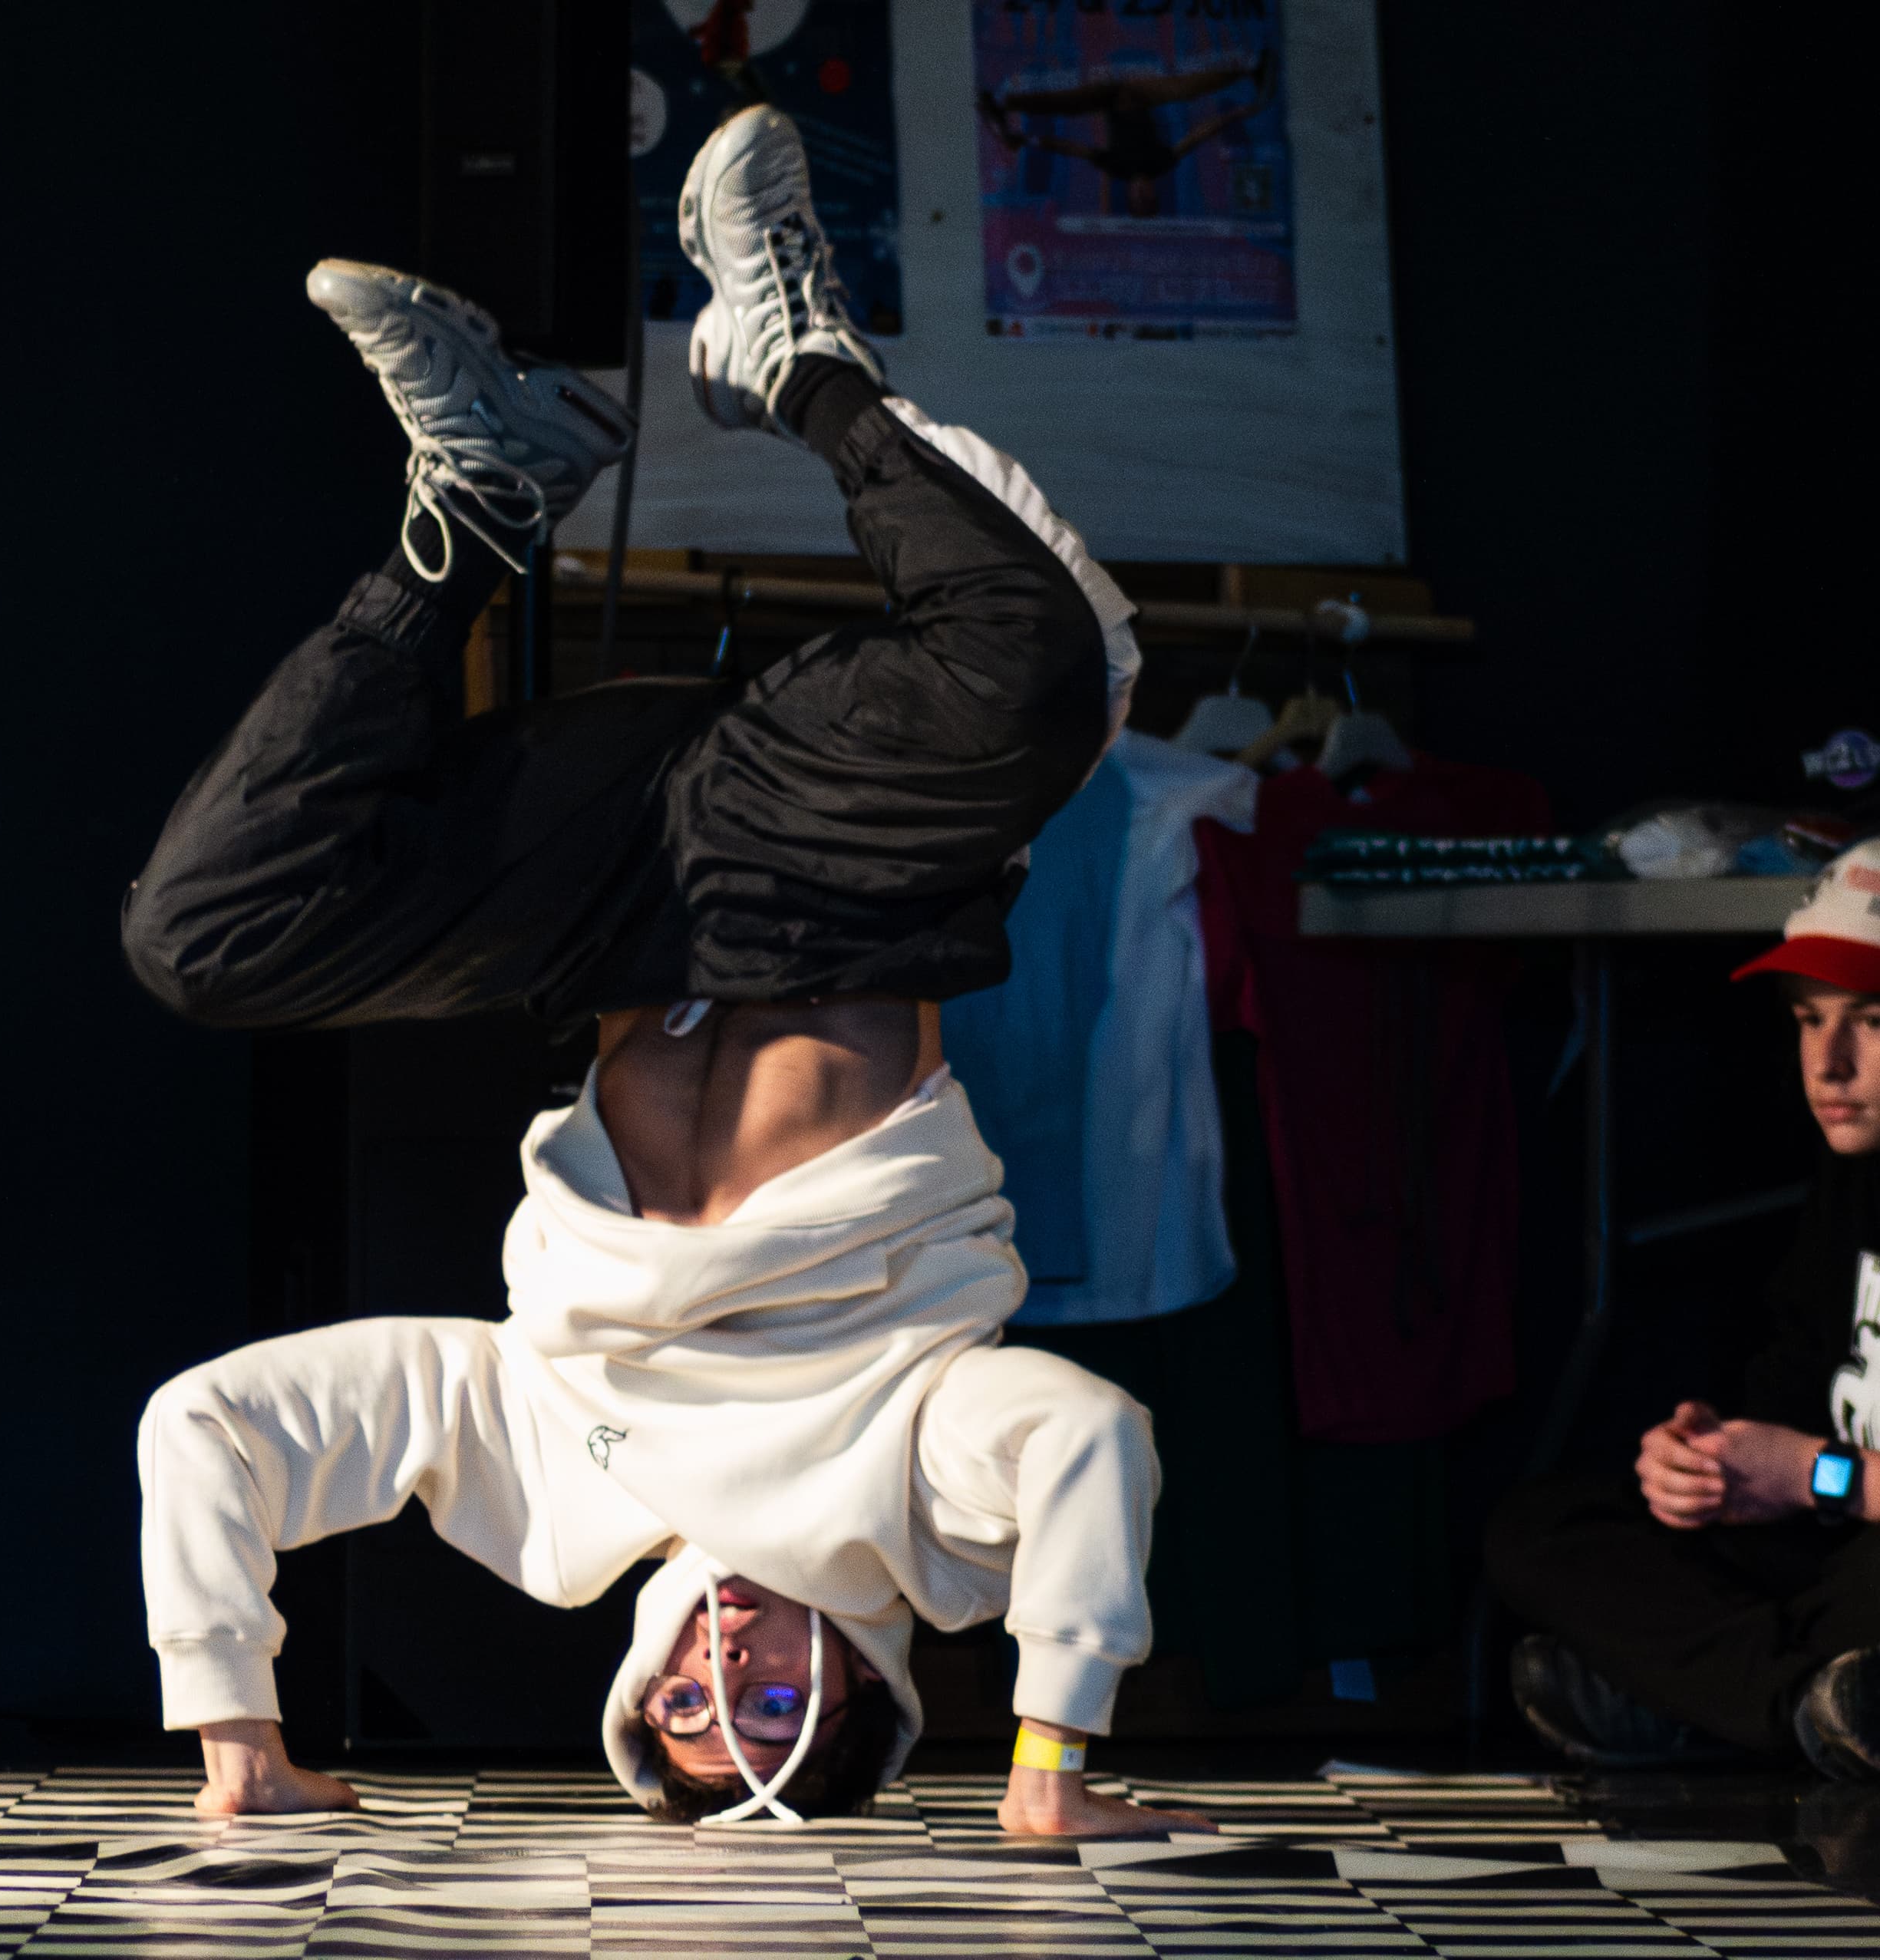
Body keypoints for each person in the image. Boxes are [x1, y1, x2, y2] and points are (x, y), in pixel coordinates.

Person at [126, 107, 1204, 1833]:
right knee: (1043, 668)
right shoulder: (923, 1505)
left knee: (201, 938)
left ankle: (482, 503)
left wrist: (235, 1733)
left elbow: (215, 1424)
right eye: (772, 1702)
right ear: (867, 1680)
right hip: (826, 870)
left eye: (689, 1706)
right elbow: (1091, 1441)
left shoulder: (552, 1498)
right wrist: (1050, 1758)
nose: (724, 1658)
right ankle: (802, 365)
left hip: (611, 908)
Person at [1489, 840, 1880, 1778]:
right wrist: (1708, 1461)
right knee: (1542, 1529)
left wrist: (1815, 1475)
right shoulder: (1851, 1173)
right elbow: (1793, 1393)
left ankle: (1698, 1698)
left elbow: (1816, 1471)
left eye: (1871, 1021)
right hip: (1831, 1545)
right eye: (1808, 1019)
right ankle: (1810, 1705)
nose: (1828, 1064)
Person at [981, 49, 1278, 219]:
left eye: (1138, 197)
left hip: (1109, 96)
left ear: (1130, 194)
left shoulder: (1117, 168)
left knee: (1066, 104)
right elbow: (1198, 135)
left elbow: (1071, 148)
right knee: (1183, 89)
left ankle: (1000, 102)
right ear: (1154, 192)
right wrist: (1235, 116)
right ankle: (1251, 67)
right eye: (1148, 196)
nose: (1143, 190)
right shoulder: (1161, 163)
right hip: (1140, 93)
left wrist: (1029, 140)